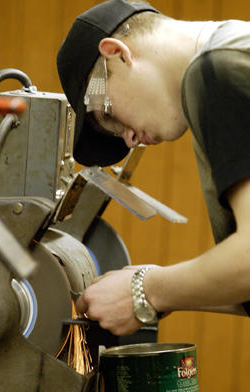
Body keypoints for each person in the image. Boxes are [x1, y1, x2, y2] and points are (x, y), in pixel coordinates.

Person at [57, 0, 250, 335]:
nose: (130, 139)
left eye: (108, 115)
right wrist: (155, 288)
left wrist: (145, 290)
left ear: (116, 53)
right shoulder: (235, 50)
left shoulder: (217, 68)